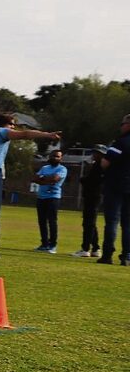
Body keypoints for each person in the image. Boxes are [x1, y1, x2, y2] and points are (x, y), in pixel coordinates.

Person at [0, 114, 61, 259]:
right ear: (4, 124)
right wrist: (47, 135)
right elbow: (25, 134)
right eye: (12, 124)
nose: (13, 127)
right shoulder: (2, 132)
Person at [97, 113, 130, 265]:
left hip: (116, 185)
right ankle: (127, 256)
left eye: (122, 124)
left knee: (112, 221)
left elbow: (105, 162)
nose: (121, 127)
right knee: (128, 224)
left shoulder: (121, 142)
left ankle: (107, 255)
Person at [32, 149, 68, 253]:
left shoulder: (62, 169)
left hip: (53, 197)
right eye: (53, 156)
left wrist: (43, 179)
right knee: (42, 221)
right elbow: (35, 178)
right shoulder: (44, 167)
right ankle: (44, 244)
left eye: (57, 156)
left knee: (52, 221)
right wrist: (47, 179)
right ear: (49, 157)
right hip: (41, 197)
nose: (55, 158)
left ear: (61, 158)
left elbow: (55, 179)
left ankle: (52, 245)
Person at [72, 147, 105, 257]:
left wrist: (83, 179)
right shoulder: (97, 165)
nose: (93, 155)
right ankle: (95, 248)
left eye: (96, 153)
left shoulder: (99, 166)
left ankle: (85, 248)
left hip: (93, 196)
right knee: (91, 223)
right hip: (93, 196)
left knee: (88, 223)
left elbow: (92, 181)